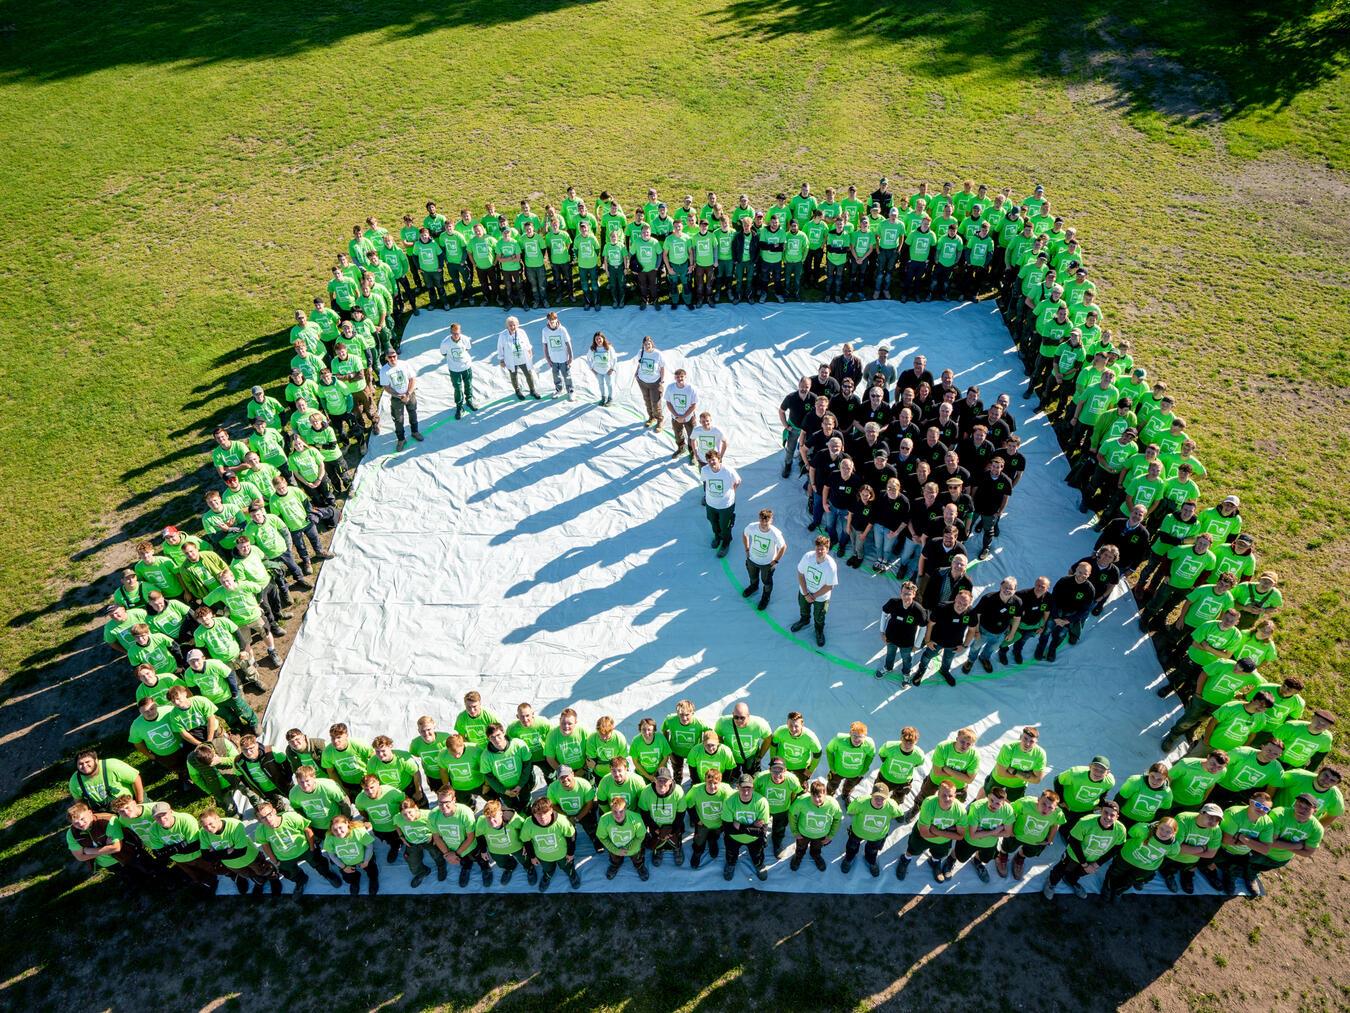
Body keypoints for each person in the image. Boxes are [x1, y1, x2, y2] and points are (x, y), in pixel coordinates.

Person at [255, 801, 343, 895]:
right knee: (289, 872)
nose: (268, 819)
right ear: (259, 820)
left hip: (304, 849)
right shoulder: (261, 831)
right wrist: (274, 861)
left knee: (318, 861)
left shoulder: (291, 817)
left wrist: (312, 847)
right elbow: (265, 845)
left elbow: (307, 829)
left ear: (274, 811)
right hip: (284, 857)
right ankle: (301, 880)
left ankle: (327, 874)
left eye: (269, 814)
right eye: (263, 818)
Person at [898, 779, 966, 882]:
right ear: (938, 793)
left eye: (950, 795)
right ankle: (905, 859)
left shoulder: (960, 810)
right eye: (944, 795)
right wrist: (949, 832)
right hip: (923, 837)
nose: (947, 798)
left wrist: (937, 831)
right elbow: (924, 832)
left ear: (955, 796)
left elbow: (960, 835)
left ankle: (934, 862)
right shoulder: (929, 803)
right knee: (912, 850)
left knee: (939, 854)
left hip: (942, 840)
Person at [915, 587, 978, 686]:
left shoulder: (971, 613)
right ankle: (921, 670)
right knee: (927, 656)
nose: (960, 606)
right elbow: (930, 624)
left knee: (948, 659)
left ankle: (944, 671)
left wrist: (965, 645)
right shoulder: (942, 607)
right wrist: (927, 640)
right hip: (936, 641)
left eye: (964, 604)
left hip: (955, 644)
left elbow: (971, 630)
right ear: (955, 599)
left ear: (969, 604)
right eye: (959, 602)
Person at [520, 798, 580, 892]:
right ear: (533, 814)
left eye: (545, 812)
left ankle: (572, 875)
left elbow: (571, 837)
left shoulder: (562, 821)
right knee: (547, 869)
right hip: (543, 856)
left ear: (551, 810)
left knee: (568, 867)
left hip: (563, 855)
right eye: (538, 814)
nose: (542, 817)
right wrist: (532, 857)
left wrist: (570, 853)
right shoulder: (528, 824)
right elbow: (526, 842)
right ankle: (547, 876)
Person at [841, 783, 902, 876]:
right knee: (851, 847)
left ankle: (870, 861)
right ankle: (849, 859)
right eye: (876, 798)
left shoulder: (892, 806)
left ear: (887, 798)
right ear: (871, 795)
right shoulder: (860, 803)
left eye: (882, 799)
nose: (879, 801)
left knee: (872, 851)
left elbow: (899, 813)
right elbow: (850, 810)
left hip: (877, 837)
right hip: (857, 833)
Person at [430, 786, 485, 888]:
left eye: (447, 802)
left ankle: (486, 869)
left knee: (481, 859)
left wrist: (455, 854)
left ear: (454, 800)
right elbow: (436, 837)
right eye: (440, 802)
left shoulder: (465, 813)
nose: (444, 806)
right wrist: (447, 854)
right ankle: (466, 868)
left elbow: (470, 837)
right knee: (464, 862)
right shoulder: (433, 815)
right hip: (452, 849)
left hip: (470, 847)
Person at [966, 577, 1022, 674]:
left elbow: (1017, 619)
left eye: (1011, 588)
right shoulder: (988, 598)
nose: (1007, 590)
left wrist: (1012, 633)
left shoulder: (1017, 602)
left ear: (1015, 590)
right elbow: (977, 615)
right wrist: (976, 631)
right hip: (983, 631)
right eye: (1005, 587)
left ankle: (984, 658)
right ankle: (971, 660)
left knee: (992, 648)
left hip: (1001, 634)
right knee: (975, 647)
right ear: (1000, 586)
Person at [722, 774, 772, 881]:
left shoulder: (762, 802)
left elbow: (762, 831)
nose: (746, 792)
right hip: (734, 837)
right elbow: (727, 828)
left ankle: (758, 864)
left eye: (748, 788)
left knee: (757, 854)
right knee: (730, 853)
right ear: (738, 787)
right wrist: (753, 826)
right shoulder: (729, 801)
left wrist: (739, 826)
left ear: (753, 788)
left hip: (753, 839)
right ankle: (731, 863)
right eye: (743, 788)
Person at [791, 535, 838, 647]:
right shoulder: (808, 557)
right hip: (805, 592)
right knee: (803, 608)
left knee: (819, 616)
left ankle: (819, 630)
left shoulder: (830, 566)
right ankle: (804, 620)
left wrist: (813, 596)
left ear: (827, 549)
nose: (820, 551)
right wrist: (806, 593)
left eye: (822, 549)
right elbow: (800, 574)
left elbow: (829, 586)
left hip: (821, 597)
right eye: (818, 548)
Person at [876, 581, 927, 681]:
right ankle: (888, 668)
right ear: (900, 593)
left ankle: (906, 674)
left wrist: (917, 644)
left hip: (907, 642)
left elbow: (923, 627)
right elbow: (884, 613)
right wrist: (882, 631)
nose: (906, 597)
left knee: (907, 659)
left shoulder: (919, 610)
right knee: (890, 654)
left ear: (914, 594)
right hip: (891, 638)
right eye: (904, 593)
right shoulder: (893, 602)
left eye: (909, 594)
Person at [475, 799, 533, 886]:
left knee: (525, 859)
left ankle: (529, 868)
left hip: (517, 846)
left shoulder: (513, 818)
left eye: (494, 816)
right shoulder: (481, 822)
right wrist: (483, 851)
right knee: (501, 863)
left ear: (501, 813)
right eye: (488, 817)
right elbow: (479, 836)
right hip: (496, 850)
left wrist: (526, 844)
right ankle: (510, 867)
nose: (491, 821)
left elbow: (525, 829)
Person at [982, 726, 1046, 802]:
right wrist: (1025, 775)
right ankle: (975, 802)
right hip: (998, 779)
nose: (1027, 744)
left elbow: (1037, 780)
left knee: (1011, 804)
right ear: (1021, 737)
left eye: (1031, 741)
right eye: (1025, 738)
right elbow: (1001, 772)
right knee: (987, 796)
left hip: (1018, 785)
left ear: (1036, 742)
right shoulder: (1008, 748)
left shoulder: (1040, 754)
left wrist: (1013, 771)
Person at [322, 813, 380, 895]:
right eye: (334, 830)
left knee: (372, 871)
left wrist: (366, 861)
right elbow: (332, 855)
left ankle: (373, 879)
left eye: (340, 827)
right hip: (346, 862)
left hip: (364, 858)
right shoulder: (329, 837)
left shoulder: (358, 832)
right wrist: (344, 867)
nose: (338, 832)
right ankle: (355, 881)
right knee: (348, 877)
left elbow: (369, 847)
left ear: (346, 823)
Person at [740, 508, 786, 611]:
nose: (764, 524)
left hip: (767, 564)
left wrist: (776, 560)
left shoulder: (775, 533)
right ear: (759, 519)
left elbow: (783, 547)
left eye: (766, 522)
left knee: (767, 581)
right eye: (762, 521)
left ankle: (765, 597)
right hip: (752, 559)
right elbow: (744, 534)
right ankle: (754, 586)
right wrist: (747, 549)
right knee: (752, 576)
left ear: (771, 520)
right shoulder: (752, 527)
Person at [378, 348, 423, 451]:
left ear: (397, 356)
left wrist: (408, 394)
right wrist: (398, 396)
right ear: (386, 358)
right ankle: (401, 439)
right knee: (398, 420)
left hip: (409, 394)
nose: (393, 359)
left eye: (394, 356)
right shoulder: (384, 370)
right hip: (396, 398)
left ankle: (415, 432)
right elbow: (386, 387)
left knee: (413, 413)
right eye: (390, 357)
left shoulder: (404, 364)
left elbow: (412, 379)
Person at [69, 748, 144, 809]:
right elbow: (79, 801)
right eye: (80, 764)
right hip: (104, 812)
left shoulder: (112, 765)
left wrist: (139, 803)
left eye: (87, 762)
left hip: (129, 804)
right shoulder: (75, 780)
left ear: (96, 760)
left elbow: (136, 779)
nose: (84, 766)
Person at [700, 450, 741, 558]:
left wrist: (731, 492)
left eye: (713, 459)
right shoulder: (705, 470)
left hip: (725, 505)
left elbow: (738, 481)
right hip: (711, 504)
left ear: (719, 459)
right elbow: (705, 481)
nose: (711, 462)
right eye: (709, 461)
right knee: (713, 521)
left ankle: (726, 542)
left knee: (725, 525)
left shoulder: (728, 471)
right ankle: (717, 537)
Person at [824, 722, 876, 802]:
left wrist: (865, 769)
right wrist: (832, 767)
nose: (857, 739)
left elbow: (871, 755)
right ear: (850, 733)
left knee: (849, 787)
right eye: (854, 736)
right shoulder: (839, 740)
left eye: (860, 737)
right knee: (832, 785)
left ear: (865, 736)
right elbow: (829, 750)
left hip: (855, 773)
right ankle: (829, 795)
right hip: (837, 771)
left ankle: (845, 794)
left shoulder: (869, 744)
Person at [494, 315, 540, 401]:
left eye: (514, 325)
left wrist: (529, 350)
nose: (512, 327)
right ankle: (517, 391)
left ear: (517, 325)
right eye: (510, 325)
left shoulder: (522, 332)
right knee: (513, 375)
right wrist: (501, 359)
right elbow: (500, 348)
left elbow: (527, 342)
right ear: (507, 326)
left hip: (522, 357)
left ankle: (532, 390)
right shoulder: (503, 335)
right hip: (511, 359)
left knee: (528, 373)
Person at [438, 322, 477, 419]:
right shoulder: (445, 343)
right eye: (454, 333)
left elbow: (467, 349)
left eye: (457, 333)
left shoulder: (465, 339)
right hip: (454, 369)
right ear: (450, 332)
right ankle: (459, 407)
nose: (456, 336)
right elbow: (444, 354)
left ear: (460, 332)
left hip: (466, 367)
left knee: (468, 384)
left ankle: (469, 400)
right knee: (458, 388)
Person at [664, 368, 698, 463]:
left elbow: (694, 405)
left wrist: (684, 416)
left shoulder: (691, 389)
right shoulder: (670, 388)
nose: (679, 378)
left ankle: (693, 453)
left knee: (692, 435)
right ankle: (681, 448)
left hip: (689, 417)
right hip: (676, 417)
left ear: (685, 377)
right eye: (677, 377)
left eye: (681, 376)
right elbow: (668, 402)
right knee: (677, 434)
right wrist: (676, 416)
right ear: (675, 377)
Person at [540, 311, 574, 399]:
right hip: (553, 359)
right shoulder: (545, 331)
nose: (551, 321)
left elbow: (568, 343)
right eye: (549, 319)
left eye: (553, 319)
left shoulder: (562, 329)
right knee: (556, 376)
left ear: (556, 319)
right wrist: (548, 359)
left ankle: (570, 390)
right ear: (547, 320)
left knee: (567, 375)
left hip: (563, 359)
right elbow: (545, 345)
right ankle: (558, 389)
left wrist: (570, 357)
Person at [634, 336, 666, 426]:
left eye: (649, 344)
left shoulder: (657, 354)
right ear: (643, 345)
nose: (647, 346)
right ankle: (651, 418)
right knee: (647, 401)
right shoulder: (641, 352)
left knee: (655, 403)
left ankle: (659, 420)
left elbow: (662, 367)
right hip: (643, 382)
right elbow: (639, 364)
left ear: (652, 343)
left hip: (655, 382)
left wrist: (662, 380)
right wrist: (636, 373)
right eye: (645, 344)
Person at [587, 332, 618, 407]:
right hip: (598, 371)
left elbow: (614, 358)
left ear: (603, 339)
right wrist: (592, 368)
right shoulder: (593, 349)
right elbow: (588, 358)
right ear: (594, 340)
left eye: (600, 338)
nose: (598, 340)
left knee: (609, 384)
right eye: (596, 339)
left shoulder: (608, 347)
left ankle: (610, 398)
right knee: (601, 384)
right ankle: (603, 398)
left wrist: (612, 368)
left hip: (607, 371)